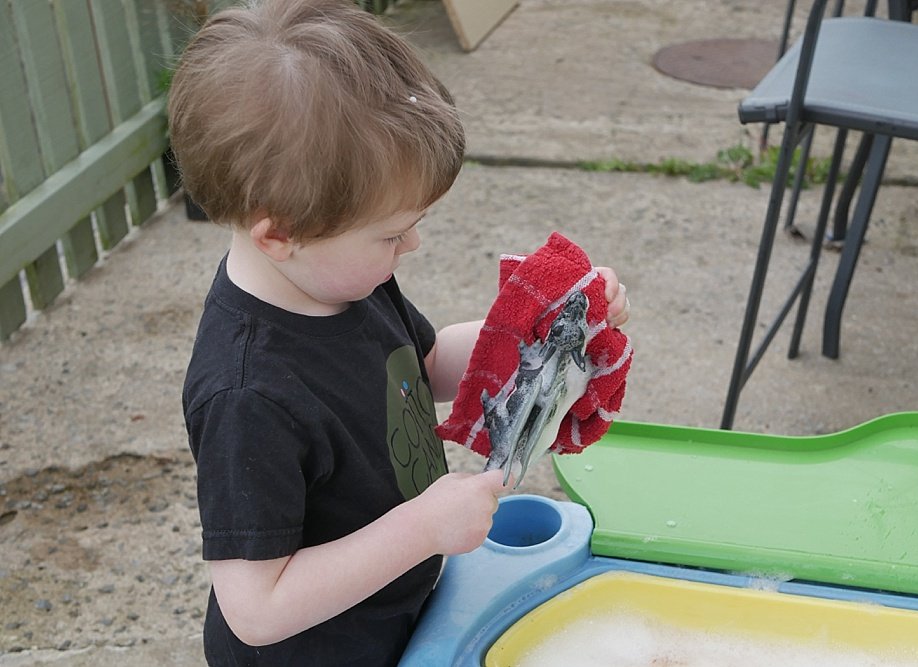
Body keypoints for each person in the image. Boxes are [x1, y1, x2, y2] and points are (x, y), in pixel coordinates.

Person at [169, 1, 629, 665]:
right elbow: (256, 607)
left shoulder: (340, 275)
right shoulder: (248, 394)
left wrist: (547, 326)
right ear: (279, 233)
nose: (411, 243)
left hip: (400, 618)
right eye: (389, 232)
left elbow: (426, 363)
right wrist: (422, 528)